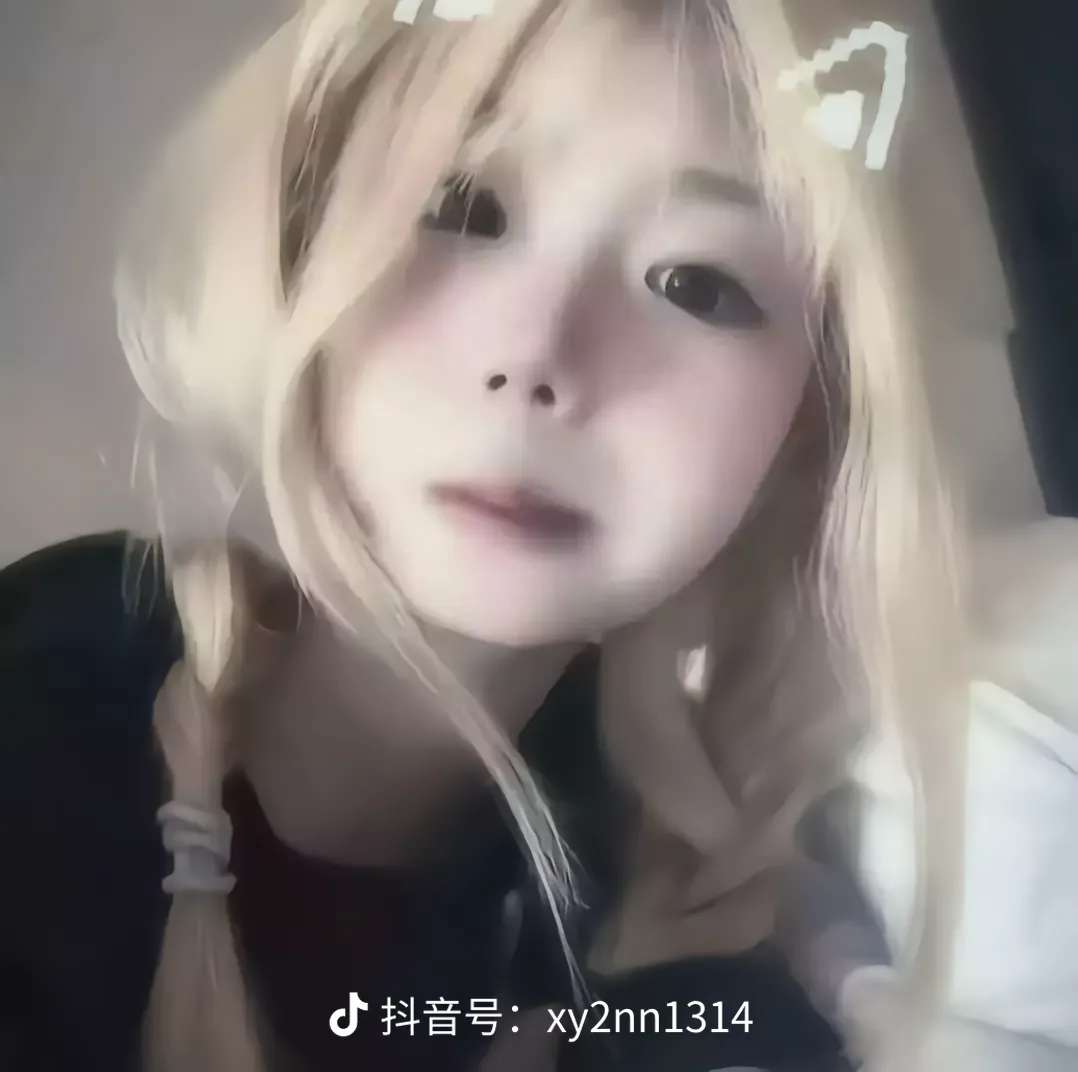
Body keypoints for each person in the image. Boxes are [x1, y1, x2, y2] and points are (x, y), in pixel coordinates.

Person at [0, 1, 968, 1070]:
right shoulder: (47, 680)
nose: (539, 356)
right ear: (292, 245)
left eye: (696, 284)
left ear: (806, 430)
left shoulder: (698, 945)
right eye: (462, 207)